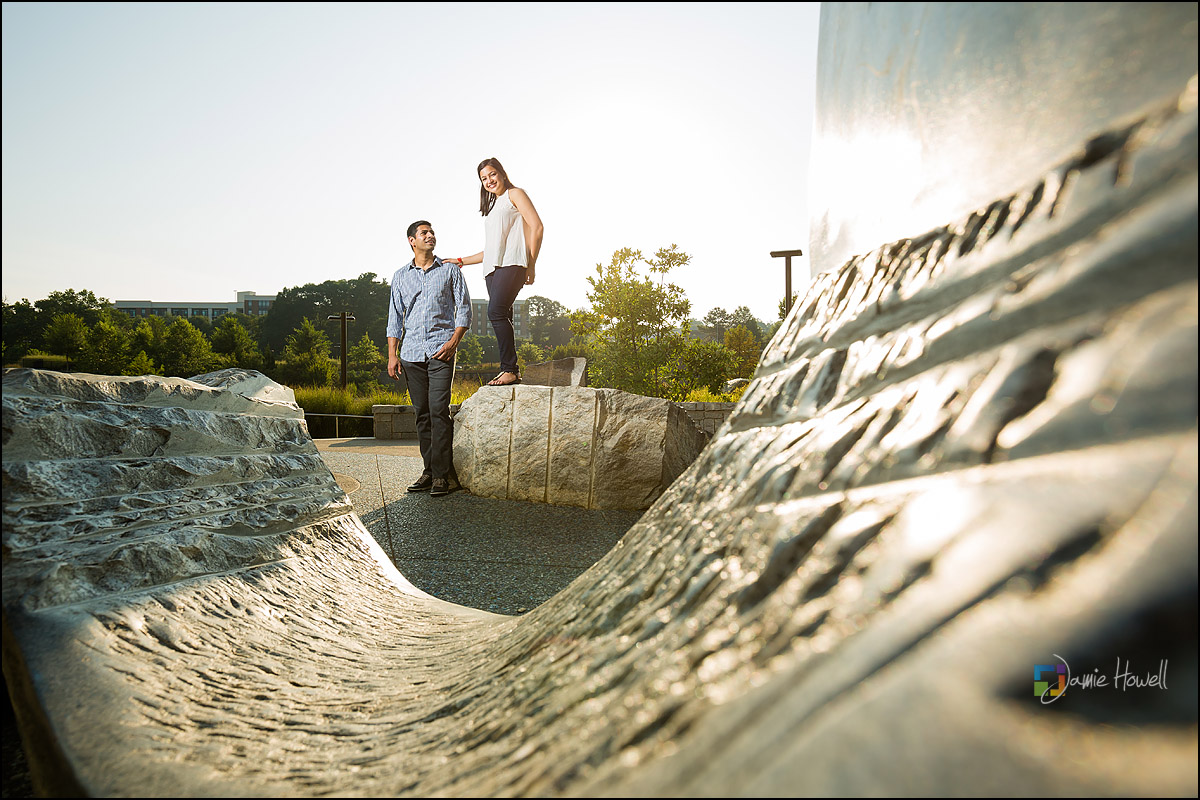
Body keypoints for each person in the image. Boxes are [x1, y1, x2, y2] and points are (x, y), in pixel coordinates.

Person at [387, 220, 471, 497]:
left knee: (438, 410)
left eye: (432, 232)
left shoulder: (449, 271)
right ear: (412, 240)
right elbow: (395, 318)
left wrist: (453, 342)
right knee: (422, 414)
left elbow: (464, 309)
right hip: (411, 354)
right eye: (424, 233)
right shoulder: (400, 276)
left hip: (441, 350)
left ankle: (442, 475)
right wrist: (392, 355)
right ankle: (428, 471)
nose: (430, 236)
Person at [445, 157, 544, 387]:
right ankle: (511, 371)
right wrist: (460, 260)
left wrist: (532, 263)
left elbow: (537, 227)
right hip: (493, 269)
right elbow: (490, 250)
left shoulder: (515, 194)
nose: (489, 180)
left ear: (501, 173)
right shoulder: (493, 206)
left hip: (513, 264)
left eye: (492, 174)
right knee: (503, 315)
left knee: (496, 312)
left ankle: (509, 369)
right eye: (483, 178)